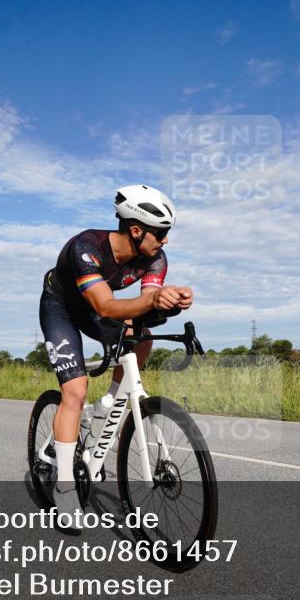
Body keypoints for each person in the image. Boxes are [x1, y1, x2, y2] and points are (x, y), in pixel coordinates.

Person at [39, 184, 193, 530]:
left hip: (95, 309)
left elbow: (147, 307)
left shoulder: (155, 258)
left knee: (143, 336)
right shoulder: (85, 248)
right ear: (136, 231)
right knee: (75, 392)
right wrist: (152, 302)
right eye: (161, 233)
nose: (166, 240)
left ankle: (108, 404)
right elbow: (106, 306)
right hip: (61, 309)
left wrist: (172, 303)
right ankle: (65, 487)